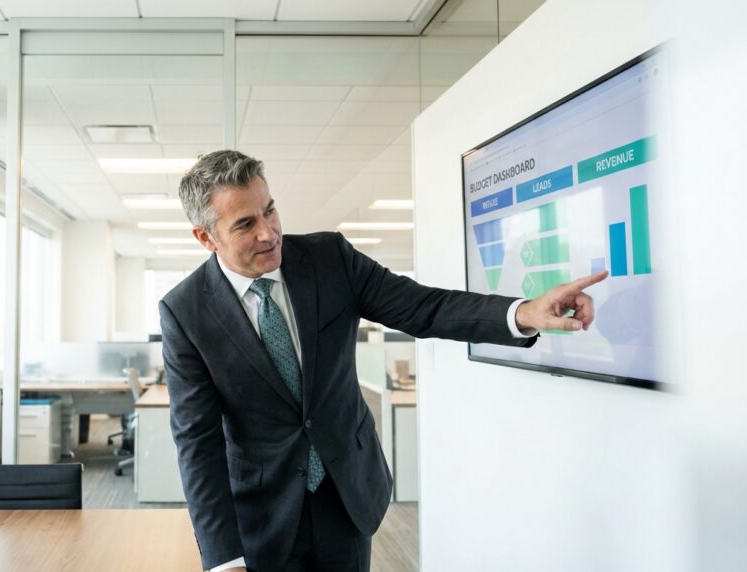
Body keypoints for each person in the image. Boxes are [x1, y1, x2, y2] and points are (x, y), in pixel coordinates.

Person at [160, 150, 606, 572]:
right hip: (262, 514)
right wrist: (224, 559)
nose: (268, 232)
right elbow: (198, 444)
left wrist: (524, 312)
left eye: (270, 210)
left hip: (347, 496)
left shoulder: (328, 258)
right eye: (245, 224)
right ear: (206, 237)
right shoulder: (185, 312)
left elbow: (424, 307)